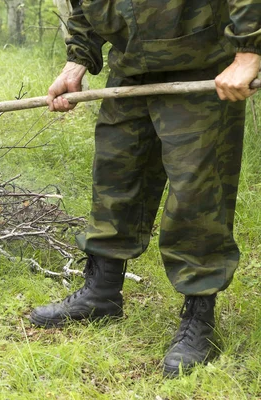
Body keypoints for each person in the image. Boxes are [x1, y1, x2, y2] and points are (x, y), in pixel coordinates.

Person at [29, 0, 260, 377]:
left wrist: (249, 52)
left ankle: (199, 317)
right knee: (115, 173)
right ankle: (101, 293)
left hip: (200, 66)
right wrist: (78, 59)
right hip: (131, 66)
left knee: (196, 191)